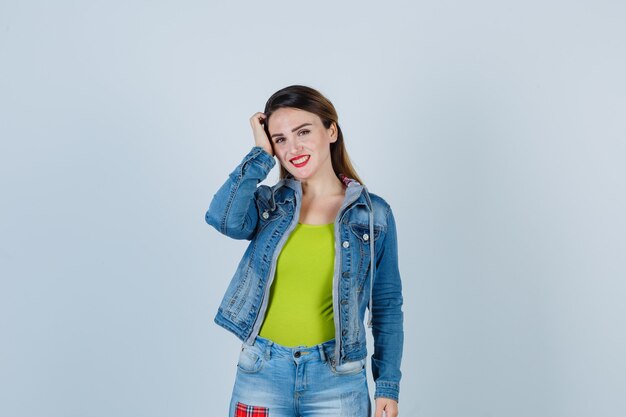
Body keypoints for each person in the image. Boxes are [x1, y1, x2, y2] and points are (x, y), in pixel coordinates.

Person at [205, 85, 404, 417]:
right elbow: (222, 218)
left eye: (303, 132)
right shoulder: (270, 204)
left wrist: (387, 385)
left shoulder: (374, 216)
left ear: (331, 130)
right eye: (280, 139)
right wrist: (260, 153)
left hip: (338, 378)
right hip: (262, 372)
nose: (292, 147)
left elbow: (386, 305)